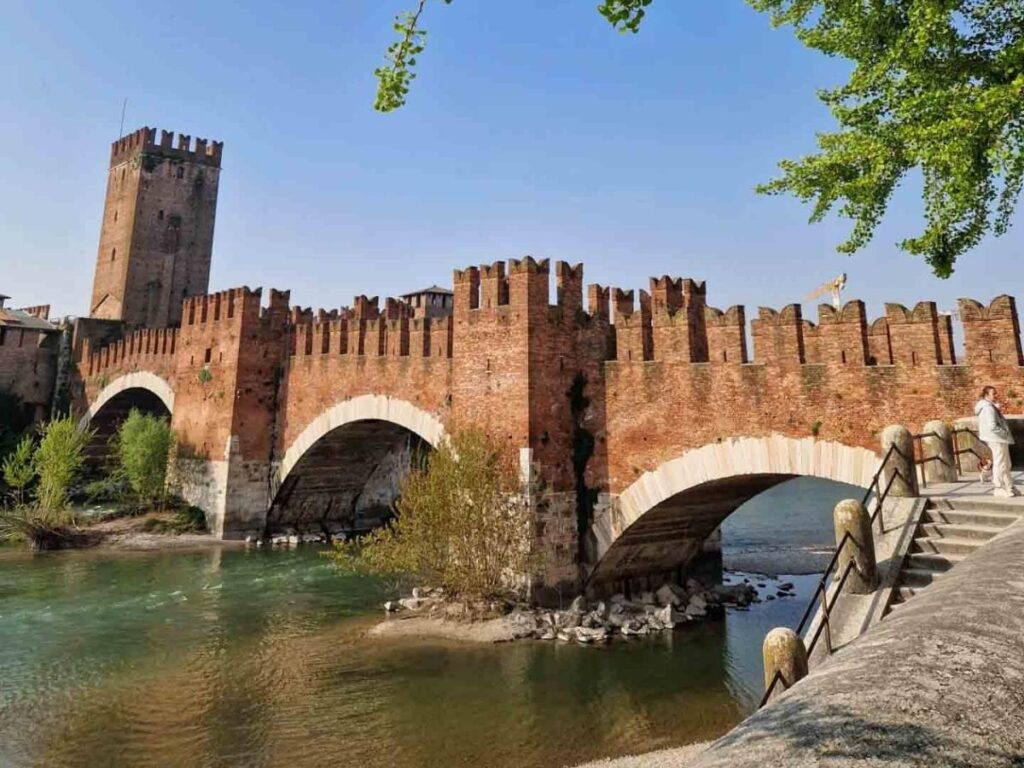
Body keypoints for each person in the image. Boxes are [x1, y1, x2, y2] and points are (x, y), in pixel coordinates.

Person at [974, 386, 1019, 497]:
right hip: (996, 438)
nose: (996, 395)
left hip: (997, 438)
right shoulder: (988, 408)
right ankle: (998, 488)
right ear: (987, 395)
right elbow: (992, 426)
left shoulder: (989, 407)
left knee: (1006, 463)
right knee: (1000, 463)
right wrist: (1004, 433)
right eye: (993, 393)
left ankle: (1009, 487)